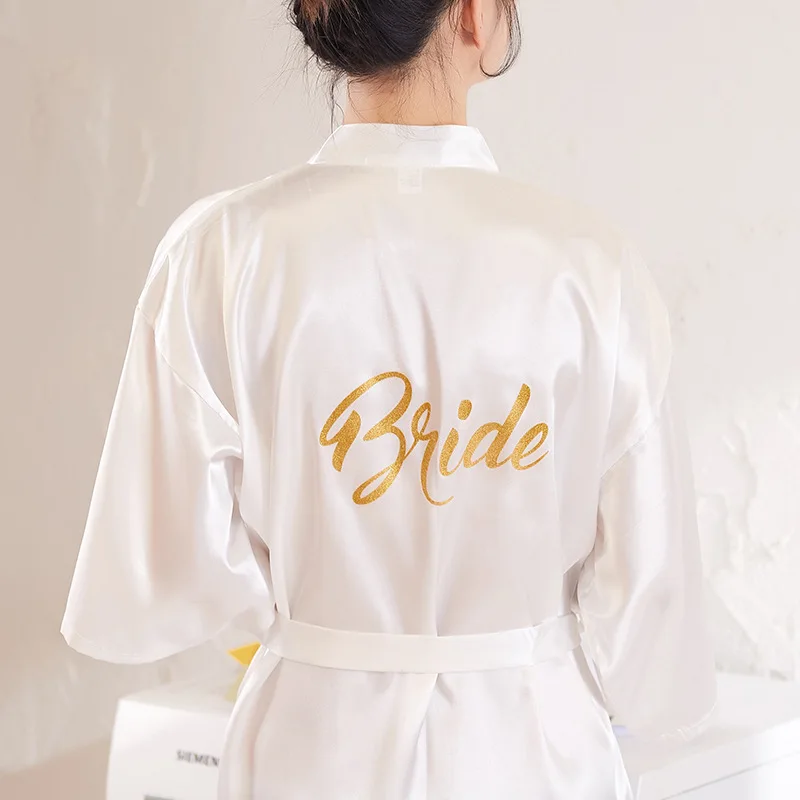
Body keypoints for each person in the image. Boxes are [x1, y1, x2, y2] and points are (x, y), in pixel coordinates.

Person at [61, 0, 717, 797]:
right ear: (472, 15)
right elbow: (652, 609)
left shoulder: (221, 251)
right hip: (530, 751)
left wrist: (316, 624)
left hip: (307, 743)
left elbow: (166, 562)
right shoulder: (592, 268)